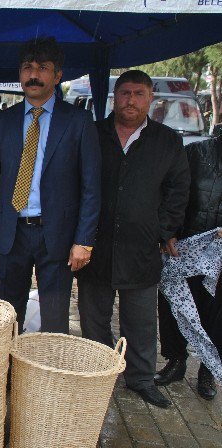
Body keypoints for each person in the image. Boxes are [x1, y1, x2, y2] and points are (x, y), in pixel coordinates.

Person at [76, 70, 190, 408]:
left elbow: (178, 190)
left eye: (138, 93)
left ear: (150, 97)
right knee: (93, 317)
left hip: (141, 247)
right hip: (95, 243)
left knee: (140, 321)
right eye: (124, 93)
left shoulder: (167, 141)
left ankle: (140, 378)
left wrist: (162, 229)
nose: (130, 100)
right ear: (114, 97)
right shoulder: (93, 135)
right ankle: (99, 373)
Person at [0, 37, 101, 335]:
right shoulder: (2, 122)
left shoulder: (79, 121)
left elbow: (91, 186)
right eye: (27, 67)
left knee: (55, 319)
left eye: (42, 68)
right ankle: (7, 377)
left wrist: (84, 240)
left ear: (58, 75)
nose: (33, 75)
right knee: (8, 315)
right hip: (11, 233)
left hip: (57, 234)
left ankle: (47, 378)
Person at [155, 134, 222, 400]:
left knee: (216, 311)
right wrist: (168, 231)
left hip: (219, 251)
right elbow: (174, 192)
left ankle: (208, 369)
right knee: (173, 303)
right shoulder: (196, 152)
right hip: (185, 243)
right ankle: (175, 361)